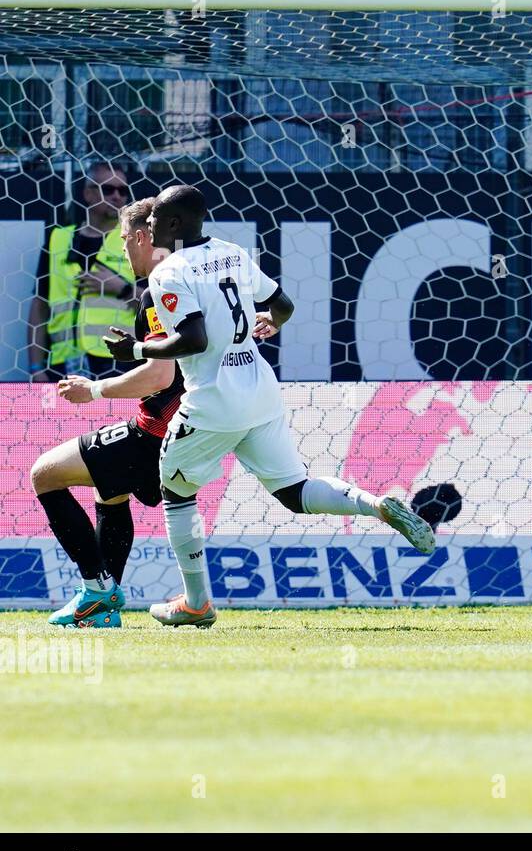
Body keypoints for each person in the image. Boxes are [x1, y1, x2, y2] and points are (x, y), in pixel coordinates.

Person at [104, 184, 436, 628]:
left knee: (177, 493)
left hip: (214, 401)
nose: (149, 227)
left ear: (175, 224)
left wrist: (136, 352)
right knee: (295, 492)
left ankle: (197, 602)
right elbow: (283, 305)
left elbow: (195, 339)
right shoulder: (232, 253)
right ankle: (376, 505)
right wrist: (270, 322)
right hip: (260, 391)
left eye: (156, 220)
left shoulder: (169, 272)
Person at [31, 197, 184, 627]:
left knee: (44, 474)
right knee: (109, 492)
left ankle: (97, 589)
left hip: (155, 430)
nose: (120, 250)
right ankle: (100, 609)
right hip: (189, 429)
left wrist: (93, 390)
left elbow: (158, 376)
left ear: (142, 237)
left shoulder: (161, 288)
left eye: (122, 240)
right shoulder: (191, 278)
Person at [27, 162, 138, 382]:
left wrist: (122, 289)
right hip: (61, 364)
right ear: (88, 193)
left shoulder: (137, 242)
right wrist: (36, 368)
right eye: (108, 189)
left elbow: (159, 305)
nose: (117, 196)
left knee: (118, 418)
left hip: (119, 364)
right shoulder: (58, 240)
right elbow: (39, 306)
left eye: (123, 190)